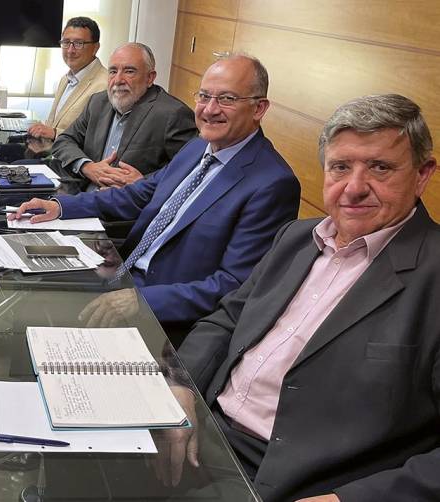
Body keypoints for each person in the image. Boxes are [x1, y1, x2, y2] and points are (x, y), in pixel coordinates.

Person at [167, 93, 440, 502]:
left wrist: (347, 501)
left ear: (423, 174)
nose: (355, 187)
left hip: (297, 481)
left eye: (380, 168)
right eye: (340, 167)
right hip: (201, 428)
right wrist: (180, 387)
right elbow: (227, 319)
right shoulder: (296, 237)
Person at [13, 54, 300, 336]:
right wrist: (61, 207)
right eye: (204, 97)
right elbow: (137, 195)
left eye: (227, 99)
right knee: (23, 295)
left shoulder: (272, 183)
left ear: (259, 108)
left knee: (46, 330)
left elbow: (234, 284)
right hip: (122, 274)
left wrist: (143, 301)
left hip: (166, 316)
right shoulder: (197, 148)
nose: (210, 110)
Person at [51, 42, 197, 191]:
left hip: (127, 208)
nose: (118, 80)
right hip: (83, 195)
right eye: (113, 71)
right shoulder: (98, 102)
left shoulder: (173, 114)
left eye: (129, 71)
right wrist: (87, 166)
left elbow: (191, 171)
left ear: (150, 78)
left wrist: (142, 182)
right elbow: (64, 140)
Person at [26, 16, 108, 141]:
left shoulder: (105, 85)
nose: (70, 50)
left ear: (95, 48)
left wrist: (54, 133)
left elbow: (97, 138)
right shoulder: (65, 79)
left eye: (78, 43)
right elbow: (53, 124)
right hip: (50, 152)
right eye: (66, 42)